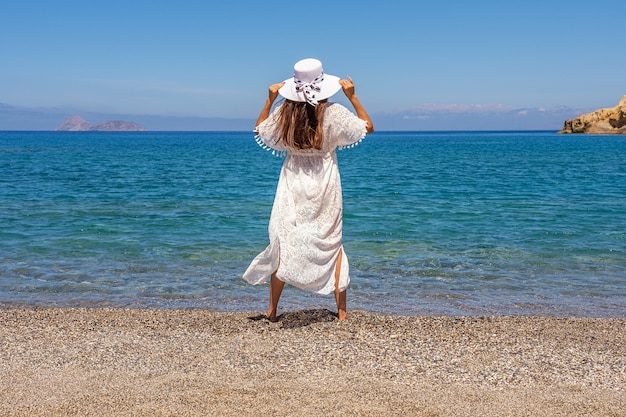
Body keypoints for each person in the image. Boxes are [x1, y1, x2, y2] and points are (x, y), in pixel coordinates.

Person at [243, 58, 374, 321]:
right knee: (331, 240)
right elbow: (368, 127)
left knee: (286, 240)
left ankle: (271, 311)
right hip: (325, 181)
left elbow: (259, 130)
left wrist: (269, 100)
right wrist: (354, 96)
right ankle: (342, 313)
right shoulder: (333, 112)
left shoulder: (284, 114)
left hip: (293, 181)